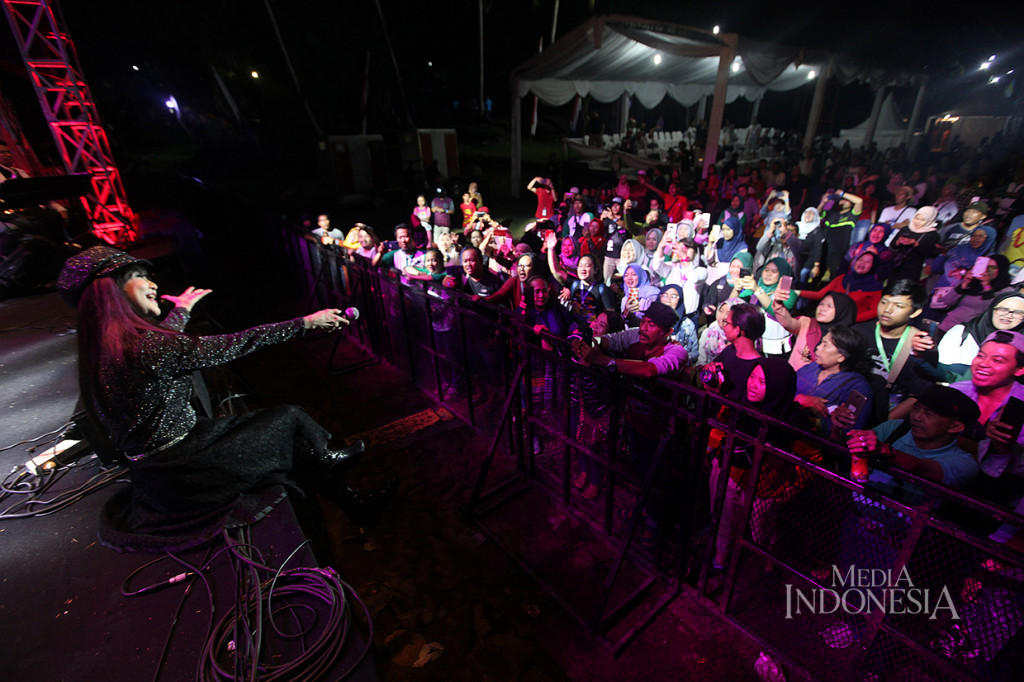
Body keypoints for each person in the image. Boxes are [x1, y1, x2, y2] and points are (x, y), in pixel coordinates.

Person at [57, 246, 361, 552]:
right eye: (138, 276)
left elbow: (166, 346)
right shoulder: (146, 348)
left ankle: (352, 499)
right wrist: (305, 324)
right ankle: (328, 465)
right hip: (186, 469)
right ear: (110, 292)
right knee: (287, 419)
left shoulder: (110, 347)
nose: (152, 283)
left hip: (158, 470)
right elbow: (233, 343)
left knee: (278, 428)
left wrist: (182, 310)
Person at [852, 279, 937, 424]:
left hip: (889, 412)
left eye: (898, 306)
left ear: (915, 312)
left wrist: (884, 426)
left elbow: (917, 394)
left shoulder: (919, 346)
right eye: (884, 302)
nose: (887, 310)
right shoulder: (858, 332)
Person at [794, 326, 875, 436]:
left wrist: (819, 422)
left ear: (841, 357)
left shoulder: (857, 387)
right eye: (821, 343)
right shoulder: (809, 369)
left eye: (825, 345)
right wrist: (799, 398)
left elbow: (850, 431)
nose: (818, 347)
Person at [773, 291, 858, 371]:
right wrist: (778, 304)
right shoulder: (807, 323)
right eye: (821, 304)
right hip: (792, 376)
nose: (823, 308)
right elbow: (788, 322)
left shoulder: (845, 339)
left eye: (829, 306)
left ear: (841, 311)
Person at [702, 302, 765, 403]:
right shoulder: (730, 350)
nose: (724, 326)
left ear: (737, 330)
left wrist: (716, 392)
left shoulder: (758, 369)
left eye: (727, 323)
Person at [798, 251, 884, 323]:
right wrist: (797, 292)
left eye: (868, 262)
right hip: (832, 322)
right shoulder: (842, 278)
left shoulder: (875, 287)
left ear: (873, 266)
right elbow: (820, 294)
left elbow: (874, 311)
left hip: (852, 327)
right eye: (860, 259)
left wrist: (853, 319)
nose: (862, 263)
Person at [889, 206, 940, 282]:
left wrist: (915, 244)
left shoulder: (932, 234)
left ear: (930, 220)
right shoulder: (906, 229)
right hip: (897, 264)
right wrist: (898, 241)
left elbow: (931, 253)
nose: (917, 222)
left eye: (922, 220)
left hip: (913, 269)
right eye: (917, 218)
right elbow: (892, 245)